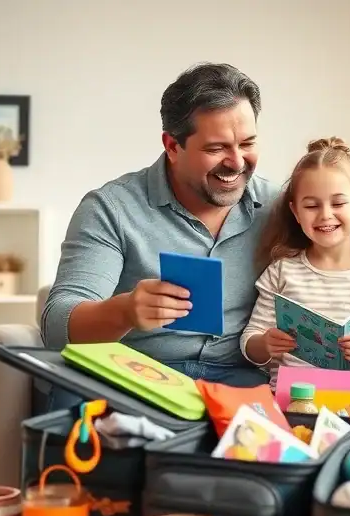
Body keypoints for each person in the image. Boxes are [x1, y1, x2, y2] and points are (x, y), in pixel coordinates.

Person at [42, 63, 280, 403]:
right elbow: (56, 327)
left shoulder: (280, 207)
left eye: (247, 143)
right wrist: (124, 312)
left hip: (243, 381)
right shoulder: (111, 208)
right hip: (137, 375)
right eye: (216, 149)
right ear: (172, 146)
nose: (237, 162)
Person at [239, 137, 350, 386]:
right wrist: (264, 344)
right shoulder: (282, 272)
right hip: (292, 401)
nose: (325, 215)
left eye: (338, 203)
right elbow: (249, 341)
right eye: (311, 206)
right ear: (296, 212)